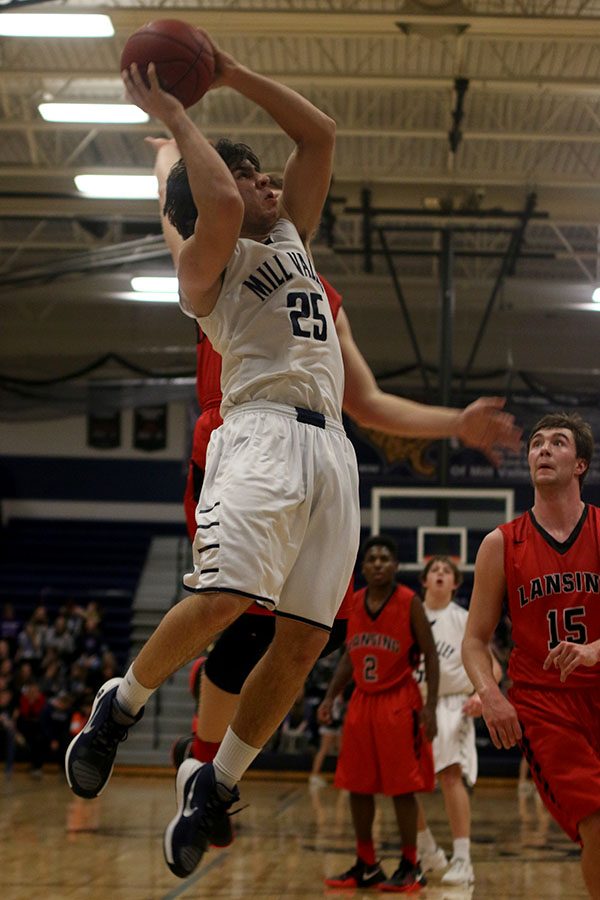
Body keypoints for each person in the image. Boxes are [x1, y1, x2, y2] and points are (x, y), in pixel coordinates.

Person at [66, 33, 362, 882]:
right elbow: (221, 203)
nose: (270, 181)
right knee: (230, 599)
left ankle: (216, 783)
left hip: (331, 452)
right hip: (261, 435)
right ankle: (118, 708)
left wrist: (230, 73)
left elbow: (322, 135)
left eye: (268, 175)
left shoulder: (294, 236)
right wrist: (175, 115)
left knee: (304, 642)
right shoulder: (208, 268)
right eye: (250, 175)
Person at [147, 136, 522, 783]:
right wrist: (165, 149)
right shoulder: (218, 257)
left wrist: (455, 425)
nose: (264, 188)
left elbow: (367, 400)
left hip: (313, 449)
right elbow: (173, 205)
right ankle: (202, 760)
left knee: (301, 630)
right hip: (234, 440)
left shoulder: (320, 292)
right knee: (241, 610)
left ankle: (210, 769)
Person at [462, 411, 600, 900]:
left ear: (580, 463)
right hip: (545, 706)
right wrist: (491, 695)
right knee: (596, 822)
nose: (542, 449)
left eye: (557, 443)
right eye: (536, 443)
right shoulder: (501, 544)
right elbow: (475, 640)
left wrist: (593, 650)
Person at [320, 535, 439, 893]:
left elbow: (431, 655)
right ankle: (367, 863)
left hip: (398, 702)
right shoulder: (354, 603)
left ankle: (411, 864)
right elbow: (348, 656)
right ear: (363, 566)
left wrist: (431, 705)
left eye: (385, 558)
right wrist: (330, 697)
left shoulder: (409, 602)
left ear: (396, 566)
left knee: (402, 788)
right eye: (371, 558)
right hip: (361, 703)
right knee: (356, 786)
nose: (377, 564)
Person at [414, 555, 502, 886]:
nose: (440, 574)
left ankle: (463, 859)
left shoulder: (464, 619)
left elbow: (494, 668)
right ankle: (427, 849)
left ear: (455, 583)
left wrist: (483, 695)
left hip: (452, 704)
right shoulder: (410, 614)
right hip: (413, 702)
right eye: (434, 570)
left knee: (451, 775)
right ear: (423, 580)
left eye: (446, 571)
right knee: (400, 783)